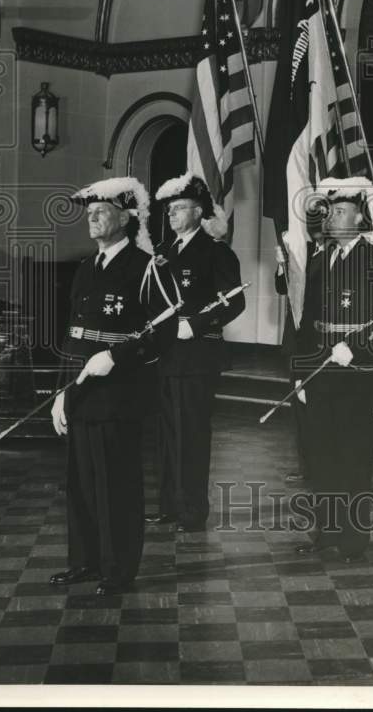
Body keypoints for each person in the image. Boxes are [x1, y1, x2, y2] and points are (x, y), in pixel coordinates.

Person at [49, 177, 179, 596]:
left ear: (126, 217)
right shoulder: (87, 267)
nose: (93, 217)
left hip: (120, 394)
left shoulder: (146, 267)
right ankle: (84, 561)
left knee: (115, 486)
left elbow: (167, 329)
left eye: (102, 210)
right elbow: (73, 337)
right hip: (83, 391)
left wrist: (117, 356)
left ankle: (118, 569)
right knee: (81, 483)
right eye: (90, 212)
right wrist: (61, 392)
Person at [293, 176, 373, 563]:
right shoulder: (322, 259)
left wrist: (358, 351)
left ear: (360, 218)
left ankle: (354, 540)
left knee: (354, 457)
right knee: (322, 456)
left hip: (357, 376)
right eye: (330, 210)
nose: (332, 216)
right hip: (320, 371)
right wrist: (300, 371)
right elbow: (308, 320)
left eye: (340, 210)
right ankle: (327, 531)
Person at [147, 173, 245, 532]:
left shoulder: (215, 251)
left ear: (198, 211)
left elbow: (236, 301)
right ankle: (170, 505)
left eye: (178, 208)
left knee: (191, 433)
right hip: (167, 353)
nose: (171, 215)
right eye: (169, 210)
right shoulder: (164, 252)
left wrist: (199, 325)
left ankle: (192, 510)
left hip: (197, 354)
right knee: (168, 435)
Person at [274, 209, 326, 484]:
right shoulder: (301, 251)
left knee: (318, 405)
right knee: (300, 407)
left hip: (317, 342)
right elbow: (283, 288)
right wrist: (282, 264)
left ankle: (321, 464)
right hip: (296, 341)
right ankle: (306, 465)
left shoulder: (331, 255)